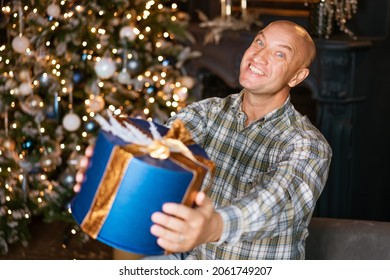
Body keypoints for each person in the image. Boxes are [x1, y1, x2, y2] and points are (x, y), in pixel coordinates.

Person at [75, 20, 332, 260]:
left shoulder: (308, 144)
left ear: (297, 77)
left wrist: (214, 226)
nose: (259, 56)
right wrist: (110, 166)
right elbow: (161, 150)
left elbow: (278, 203)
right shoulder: (207, 112)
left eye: (279, 54)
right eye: (259, 42)